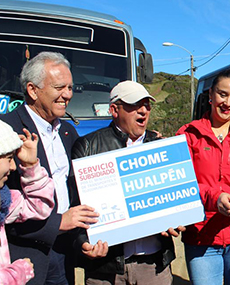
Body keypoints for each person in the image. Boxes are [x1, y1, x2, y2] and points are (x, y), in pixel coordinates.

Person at [0, 51, 99, 285]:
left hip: (65, 255)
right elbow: (4, 205)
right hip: (23, 261)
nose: (67, 95)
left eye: (71, 88)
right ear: (33, 90)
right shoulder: (6, 132)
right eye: (59, 87)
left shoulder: (69, 132)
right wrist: (58, 223)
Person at [70, 81, 176, 284]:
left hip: (153, 267)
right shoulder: (88, 146)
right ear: (114, 110)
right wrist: (83, 242)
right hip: (106, 268)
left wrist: (175, 217)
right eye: (134, 104)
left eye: (147, 104)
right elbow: (76, 205)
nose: (143, 110)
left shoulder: (161, 147)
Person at [176, 69, 230, 285]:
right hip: (201, 238)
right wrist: (213, 197)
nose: (228, 103)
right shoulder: (188, 134)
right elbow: (179, 184)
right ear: (210, 95)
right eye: (222, 94)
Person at [0, 121, 56, 284]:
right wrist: (18, 273)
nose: (12, 166)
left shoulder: (3, 200)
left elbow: (39, 207)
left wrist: (30, 165)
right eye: (9, 158)